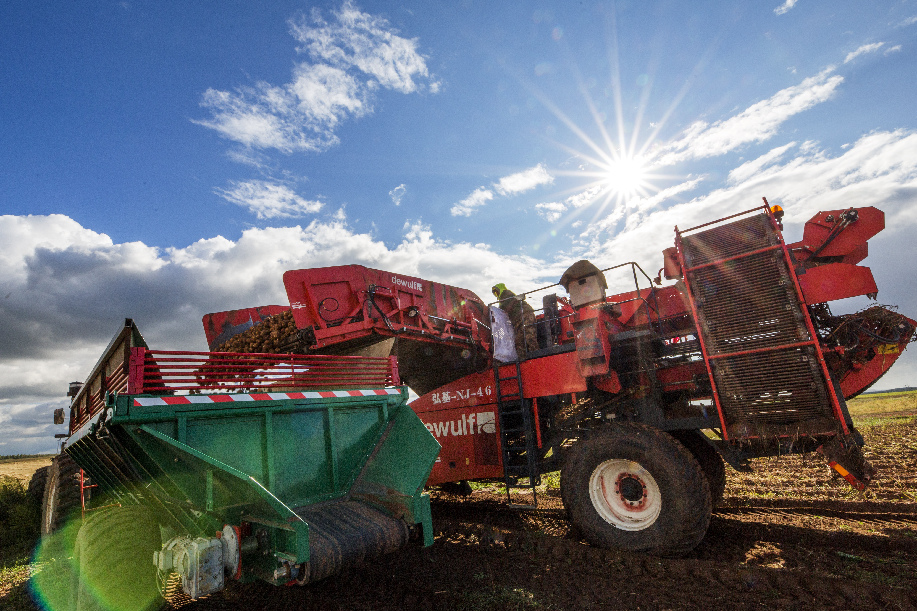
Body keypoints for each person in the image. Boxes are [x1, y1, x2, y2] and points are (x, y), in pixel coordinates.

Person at [492, 283, 538, 356]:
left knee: (529, 336)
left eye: (496, 291)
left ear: (500, 289)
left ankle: (536, 355)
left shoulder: (506, 294)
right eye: (494, 293)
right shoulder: (504, 299)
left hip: (525, 315)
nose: (496, 294)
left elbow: (504, 308)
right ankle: (524, 359)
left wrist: (494, 312)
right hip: (518, 319)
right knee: (519, 342)